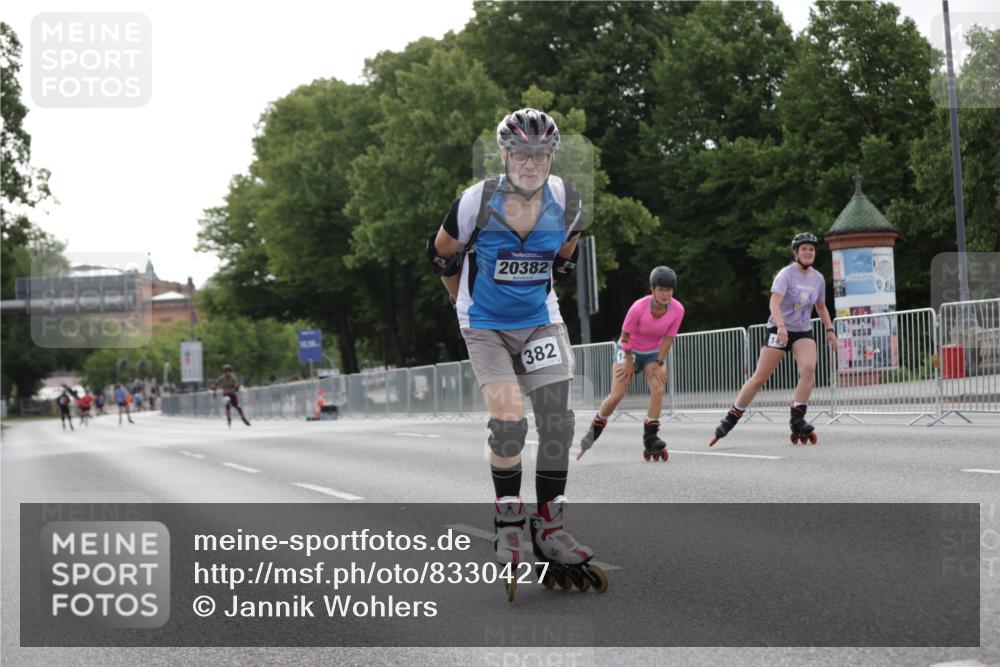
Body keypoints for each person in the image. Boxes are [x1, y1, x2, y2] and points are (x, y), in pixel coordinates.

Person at [427, 107, 605, 600]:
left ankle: (549, 526)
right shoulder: (477, 200)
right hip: (484, 324)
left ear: (551, 156)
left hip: (539, 320)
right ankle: (508, 510)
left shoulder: (567, 199)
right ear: (504, 155)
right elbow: (440, 254)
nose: (531, 163)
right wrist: (461, 303)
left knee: (557, 421)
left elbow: (566, 255)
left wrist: (541, 277)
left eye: (540, 154)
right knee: (509, 423)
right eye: (521, 154)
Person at [710, 232, 837, 446]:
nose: (808, 252)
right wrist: (780, 326)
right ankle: (730, 418)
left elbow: (821, 306)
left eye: (812, 249)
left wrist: (830, 329)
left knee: (808, 368)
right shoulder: (786, 275)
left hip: (802, 331)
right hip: (778, 330)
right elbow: (774, 304)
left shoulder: (818, 279)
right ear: (796, 252)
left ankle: (797, 419)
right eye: (804, 249)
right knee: (760, 377)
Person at [577, 266, 685, 462]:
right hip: (628, 350)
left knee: (658, 388)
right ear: (652, 289)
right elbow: (625, 337)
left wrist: (659, 362)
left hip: (654, 352)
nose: (665, 294)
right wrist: (628, 361)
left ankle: (650, 437)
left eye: (669, 290)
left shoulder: (677, 309)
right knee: (617, 394)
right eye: (661, 289)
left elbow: (669, 339)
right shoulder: (638, 307)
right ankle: (594, 430)